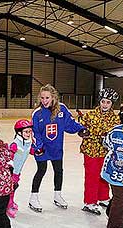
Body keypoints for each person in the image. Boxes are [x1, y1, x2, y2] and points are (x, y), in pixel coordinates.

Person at [29, 84, 89, 213]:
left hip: (56, 148)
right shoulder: (37, 113)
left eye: (47, 98)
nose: (44, 101)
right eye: (42, 98)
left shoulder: (62, 109)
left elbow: (70, 124)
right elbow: (35, 132)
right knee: (41, 170)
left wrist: (81, 129)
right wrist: (38, 147)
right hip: (42, 148)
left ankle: (57, 195)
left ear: (53, 97)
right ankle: (33, 197)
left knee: (58, 171)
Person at [79, 88, 120, 215]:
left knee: (104, 175)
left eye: (108, 102)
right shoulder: (90, 115)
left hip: (106, 151)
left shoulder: (115, 118)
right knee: (92, 176)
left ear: (112, 103)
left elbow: (115, 133)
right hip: (91, 150)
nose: (105, 104)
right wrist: (83, 132)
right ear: (99, 101)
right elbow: (81, 127)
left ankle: (103, 197)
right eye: (103, 101)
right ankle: (90, 201)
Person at [7, 119, 33, 218]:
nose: (28, 134)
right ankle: (8, 206)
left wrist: (39, 150)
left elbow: (31, 151)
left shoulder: (26, 142)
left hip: (17, 171)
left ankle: (10, 202)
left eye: (30, 131)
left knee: (14, 187)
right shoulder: (15, 144)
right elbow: (9, 156)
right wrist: (10, 168)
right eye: (26, 132)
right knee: (11, 188)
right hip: (11, 171)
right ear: (19, 132)